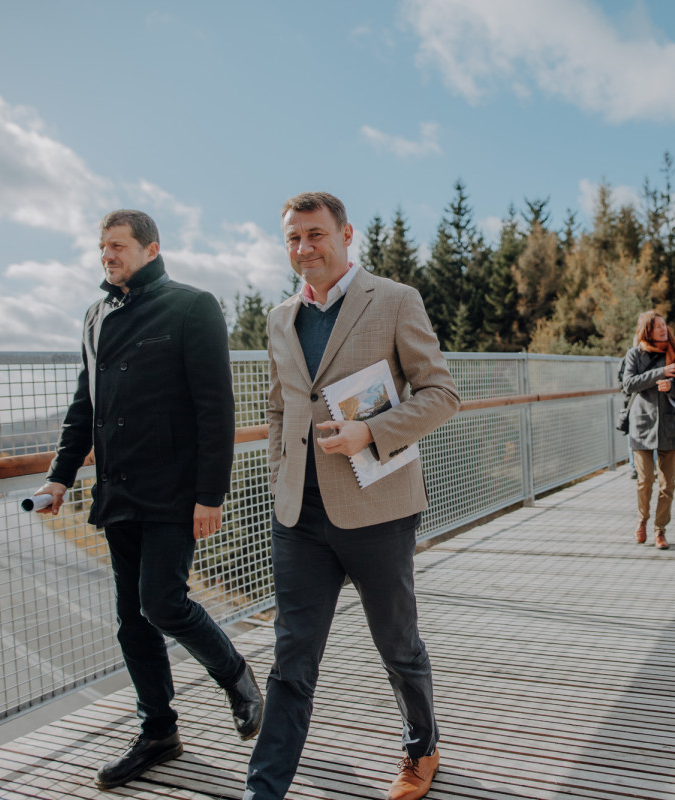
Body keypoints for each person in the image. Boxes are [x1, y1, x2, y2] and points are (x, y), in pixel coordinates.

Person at [33, 210, 263, 790]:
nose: (106, 255)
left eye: (117, 245)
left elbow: (217, 410)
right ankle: (159, 730)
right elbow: (83, 408)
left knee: (162, 603)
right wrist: (59, 478)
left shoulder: (192, 306)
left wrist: (210, 494)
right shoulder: (94, 316)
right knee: (132, 623)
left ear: (150, 248)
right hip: (117, 491)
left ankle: (235, 675)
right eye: (101, 247)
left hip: (176, 491)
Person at [246, 192, 460, 800]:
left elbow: (441, 393)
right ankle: (264, 789)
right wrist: (280, 476)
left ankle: (422, 746)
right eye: (293, 238)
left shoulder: (394, 300)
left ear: (346, 236)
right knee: (291, 659)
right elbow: (280, 405)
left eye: (315, 234)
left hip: (377, 511)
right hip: (298, 517)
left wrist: (371, 431)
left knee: (397, 643)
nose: (303, 248)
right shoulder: (280, 317)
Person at [622, 310, 675, 551]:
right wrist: (660, 373)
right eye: (656, 326)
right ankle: (642, 519)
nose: (662, 329)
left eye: (664, 325)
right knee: (645, 480)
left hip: (670, 424)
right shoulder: (635, 354)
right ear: (646, 330)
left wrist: (672, 385)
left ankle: (660, 530)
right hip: (642, 424)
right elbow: (628, 383)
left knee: (667, 484)